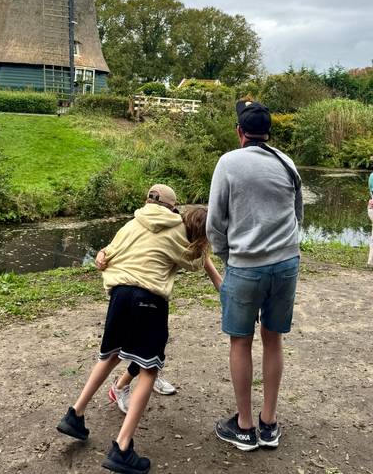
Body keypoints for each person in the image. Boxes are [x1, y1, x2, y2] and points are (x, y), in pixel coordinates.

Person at [57, 185, 221, 474]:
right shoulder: (175, 230)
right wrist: (203, 248)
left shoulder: (130, 225)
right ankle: (122, 448)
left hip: (119, 295)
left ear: (147, 201)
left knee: (109, 356)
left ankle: (75, 414)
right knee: (149, 370)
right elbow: (193, 263)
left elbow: (105, 256)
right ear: (172, 208)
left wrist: (100, 256)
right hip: (148, 299)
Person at [206, 100, 303, 452]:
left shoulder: (229, 163)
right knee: (273, 338)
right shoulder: (287, 162)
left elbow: (214, 223)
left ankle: (245, 428)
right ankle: (270, 423)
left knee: (241, 341)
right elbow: (297, 214)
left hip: (245, 266)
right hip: (286, 263)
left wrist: (230, 257)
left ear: (239, 132)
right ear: (268, 133)